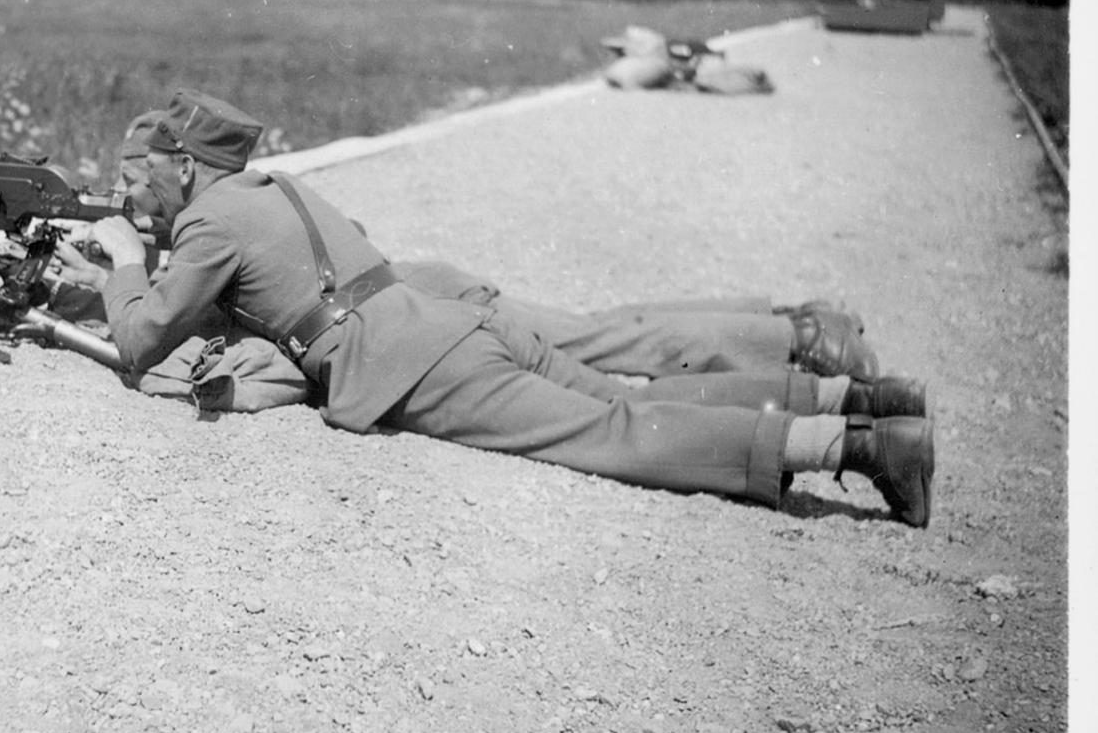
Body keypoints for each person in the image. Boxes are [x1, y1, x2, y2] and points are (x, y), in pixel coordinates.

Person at [80, 88, 935, 527]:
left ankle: (856, 446)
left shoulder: (206, 223)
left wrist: (123, 262)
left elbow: (141, 340)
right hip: (450, 321)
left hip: (417, 364)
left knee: (610, 434)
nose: (137, 188)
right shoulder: (273, 188)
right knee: (622, 397)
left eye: (142, 172)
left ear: (183, 166)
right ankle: (854, 398)